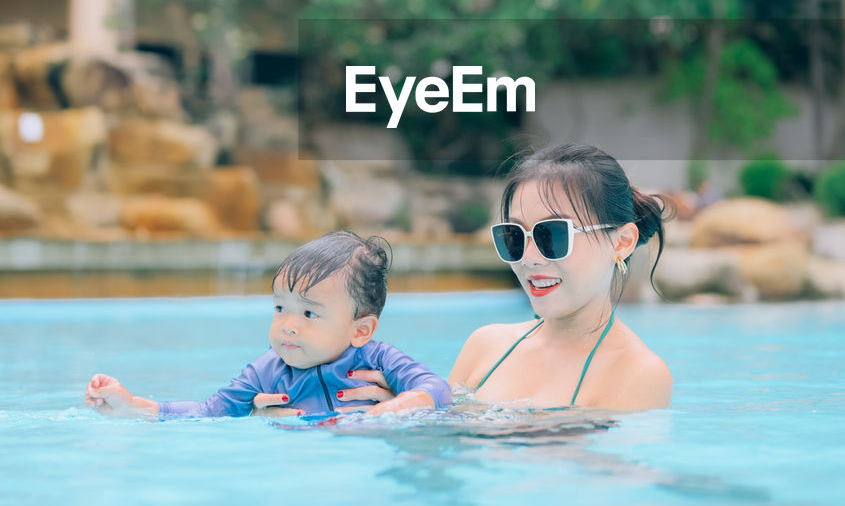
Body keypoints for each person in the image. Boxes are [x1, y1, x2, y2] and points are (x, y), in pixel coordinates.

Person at [339, 142, 673, 414]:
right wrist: (392, 407)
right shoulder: (487, 345)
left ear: (622, 242)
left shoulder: (638, 374)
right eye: (513, 237)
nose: (528, 258)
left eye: (552, 235)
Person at [85, 231, 451, 419]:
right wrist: (133, 405)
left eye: (309, 313)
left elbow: (435, 388)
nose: (288, 326)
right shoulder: (267, 371)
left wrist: (401, 406)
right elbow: (209, 412)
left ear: (360, 329)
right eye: (280, 308)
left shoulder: (378, 359)